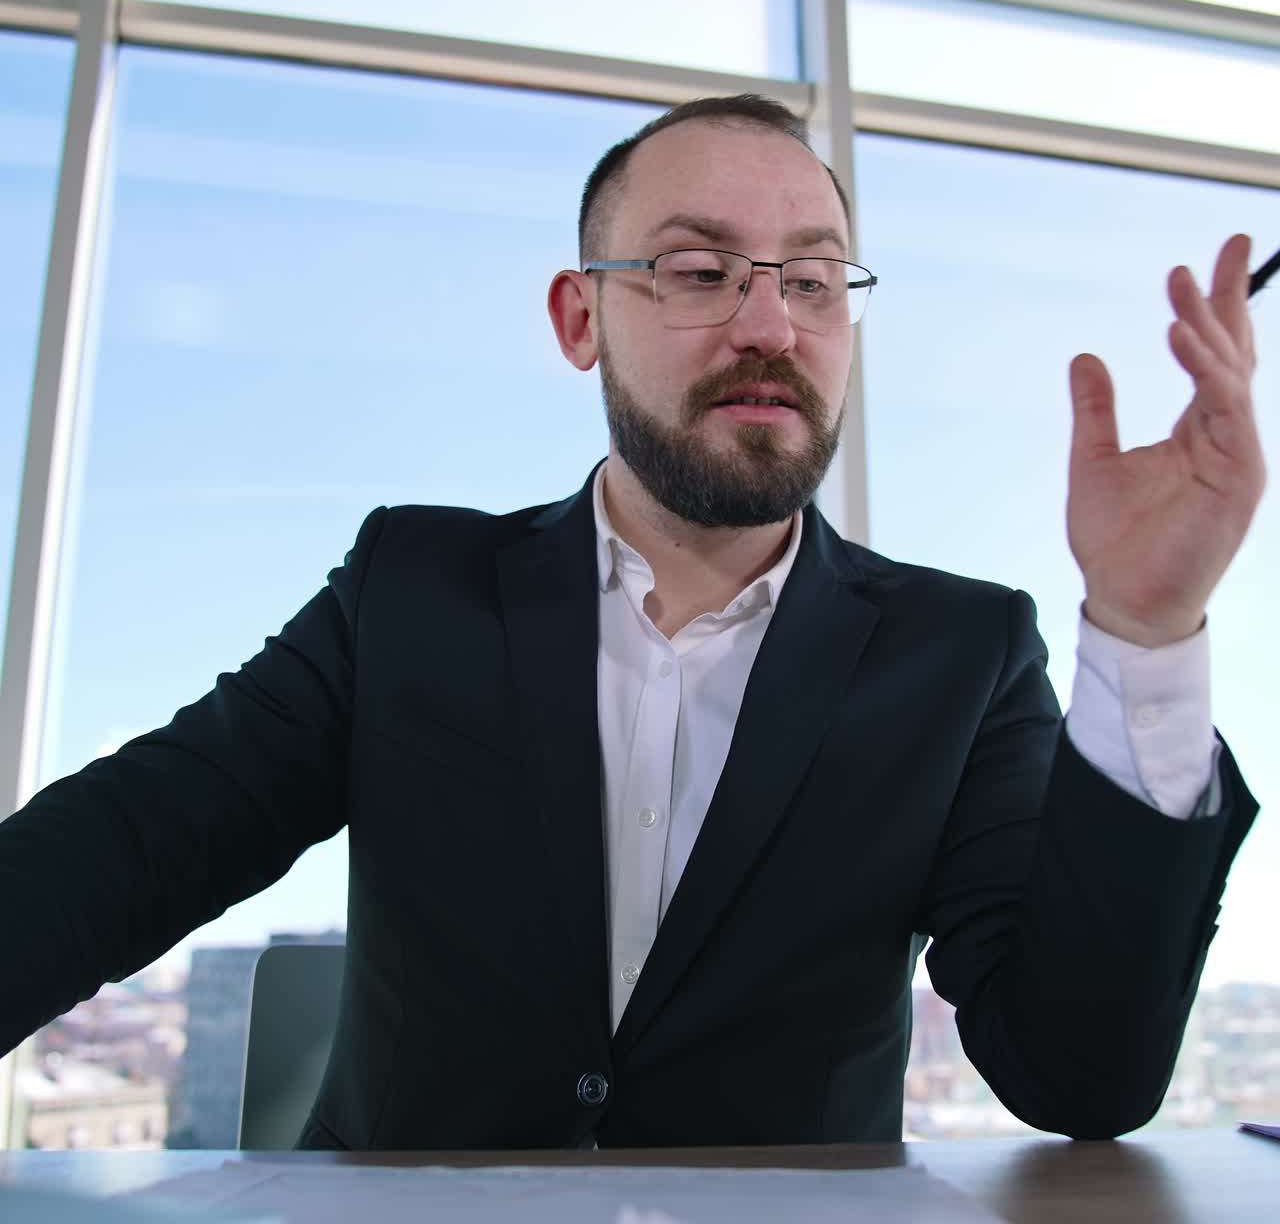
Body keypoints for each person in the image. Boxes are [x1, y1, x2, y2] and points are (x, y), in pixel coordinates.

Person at [0, 95, 1262, 1151]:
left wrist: (1145, 630)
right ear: (579, 317)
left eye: (813, 282)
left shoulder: (961, 653)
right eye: (701, 271)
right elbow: (134, 842)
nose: (769, 324)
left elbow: (1080, 1075)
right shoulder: (411, 588)